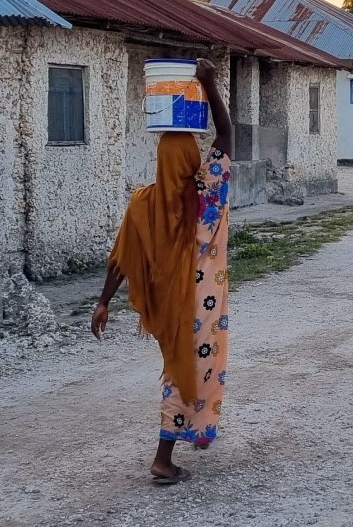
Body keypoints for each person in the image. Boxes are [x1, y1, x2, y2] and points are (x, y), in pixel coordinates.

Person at [91, 58, 233, 486]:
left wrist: (103, 301)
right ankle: (163, 458)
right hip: (204, 303)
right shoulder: (207, 192)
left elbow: (121, 257)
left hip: (170, 302)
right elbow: (227, 134)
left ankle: (190, 435)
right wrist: (209, 84)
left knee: (179, 365)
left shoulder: (144, 202)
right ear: (190, 157)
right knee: (192, 368)